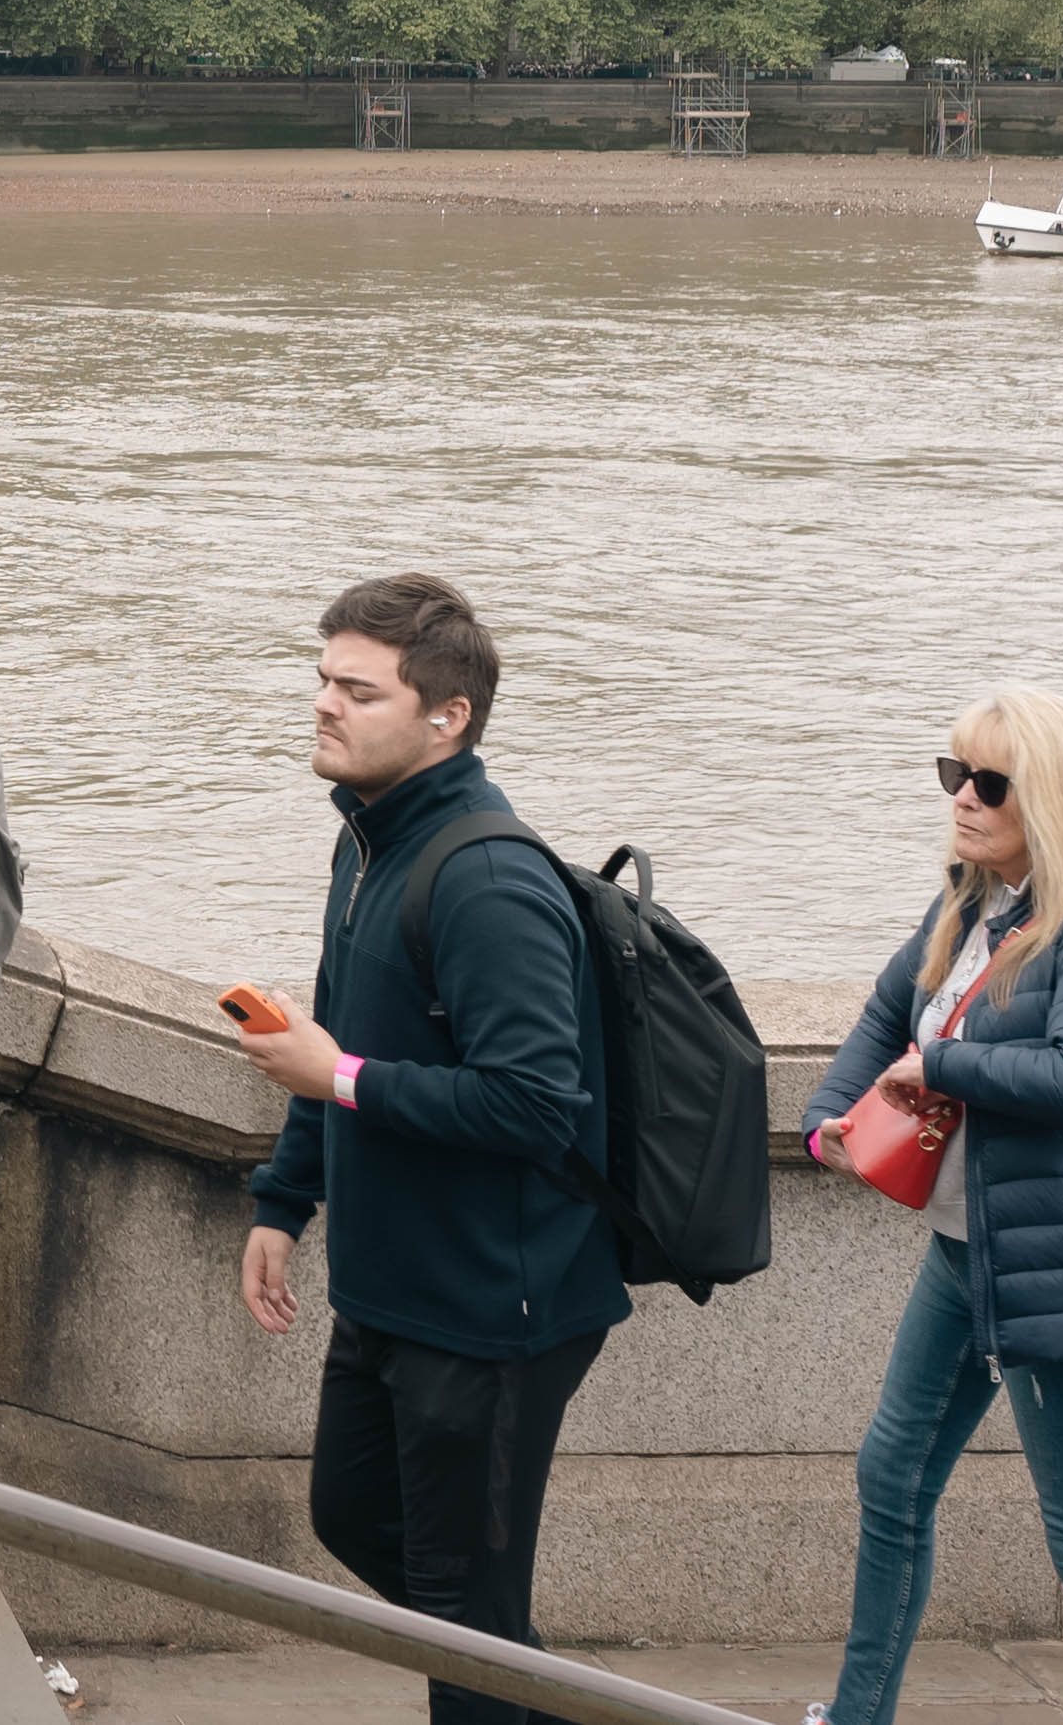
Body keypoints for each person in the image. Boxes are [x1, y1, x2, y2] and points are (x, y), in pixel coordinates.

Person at [232, 574, 624, 1725]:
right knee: (356, 1520)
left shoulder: (488, 878)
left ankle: (515, 1687)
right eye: (322, 679)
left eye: (357, 688)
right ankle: (534, 1689)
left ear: (446, 715)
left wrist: (338, 1076)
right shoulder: (366, 846)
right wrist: (282, 1198)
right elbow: (329, 1037)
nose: (323, 704)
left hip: (493, 1311)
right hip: (391, 1291)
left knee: (464, 1612)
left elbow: (537, 1104)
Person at [794, 690, 1063, 1725]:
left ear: (1053, 799)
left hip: (1057, 1262)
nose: (962, 796)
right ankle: (855, 1713)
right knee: (892, 1479)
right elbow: (890, 1011)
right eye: (953, 772)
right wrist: (829, 1111)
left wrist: (947, 1065)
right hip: (964, 1254)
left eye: (991, 782)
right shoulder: (976, 899)